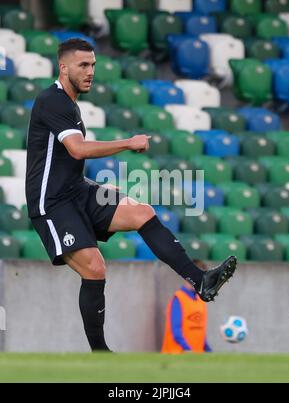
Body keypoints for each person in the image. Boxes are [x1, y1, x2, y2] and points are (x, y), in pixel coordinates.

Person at [25, 39, 237, 352]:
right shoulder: (52, 100)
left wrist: (95, 188)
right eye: (83, 65)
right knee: (95, 268)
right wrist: (128, 143)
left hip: (76, 190)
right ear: (64, 67)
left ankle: (201, 281)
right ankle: (100, 354)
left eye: (94, 65)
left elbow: (64, 159)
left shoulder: (69, 104)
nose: (90, 72)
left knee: (141, 211)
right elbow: (78, 148)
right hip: (52, 202)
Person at [162, 261, 212, 354]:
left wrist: (208, 350)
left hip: (196, 356)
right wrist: (188, 349)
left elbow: (201, 331)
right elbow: (176, 331)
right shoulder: (179, 298)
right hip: (177, 355)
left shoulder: (201, 300)